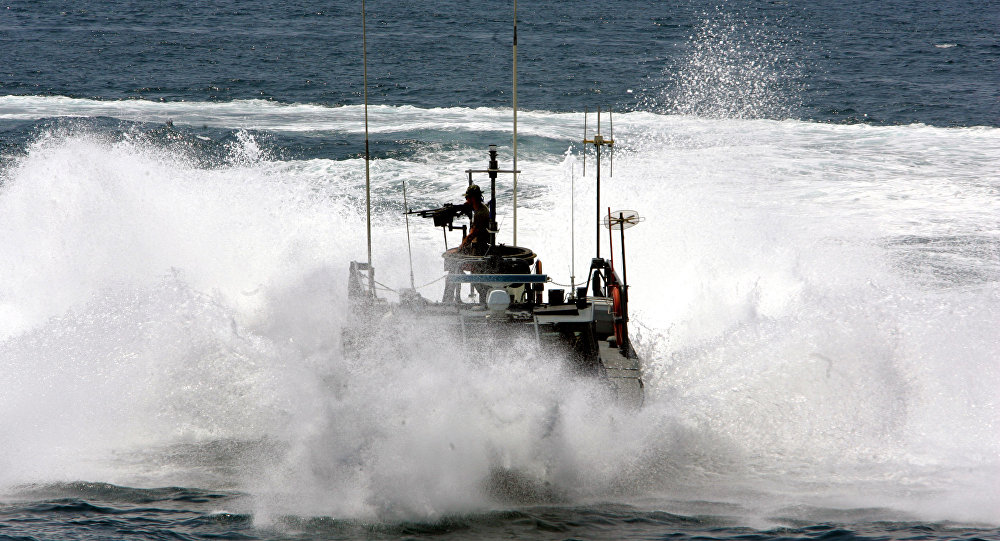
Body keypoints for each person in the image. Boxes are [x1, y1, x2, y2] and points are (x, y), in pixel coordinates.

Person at [458, 184, 489, 255]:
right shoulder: (481, 208)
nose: (466, 199)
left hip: (479, 249)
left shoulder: (480, 213)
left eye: (467, 197)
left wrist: (460, 248)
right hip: (479, 245)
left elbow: (472, 235)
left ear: (473, 198)